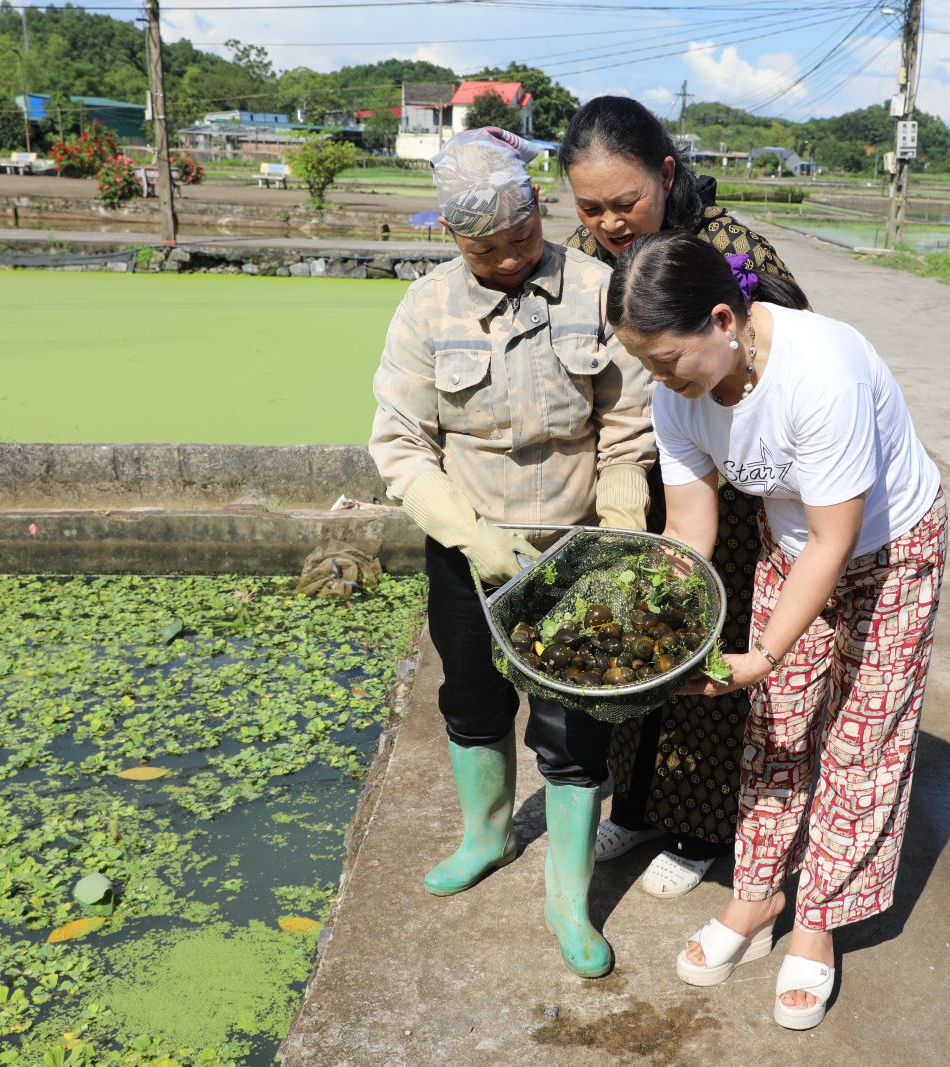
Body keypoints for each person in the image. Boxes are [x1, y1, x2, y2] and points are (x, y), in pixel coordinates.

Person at [607, 231, 948, 1030]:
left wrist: (761, 654)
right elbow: (690, 527)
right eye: (644, 362)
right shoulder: (677, 392)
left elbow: (836, 539)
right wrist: (662, 627)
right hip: (792, 544)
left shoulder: (821, 370)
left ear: (724, 320)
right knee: (776, 727)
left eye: (667, 359)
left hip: (890, 551)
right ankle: (758, 896)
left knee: (860, 739)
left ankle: (817, 919)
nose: (659, 379)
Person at [368, 128, 654, 979]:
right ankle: (486, 835)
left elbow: (626, 428)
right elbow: (402, 444)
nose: (507, 260)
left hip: (576, 549)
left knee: (574, 726)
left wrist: (619, 523)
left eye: (522, 239)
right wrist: (471, 536)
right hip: (470, 545)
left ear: (540, 212)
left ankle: (569, 896)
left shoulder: (598, 292)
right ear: (454, 239)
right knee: (472, 698)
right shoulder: (426, 308)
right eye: (484, 249)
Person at [560, 94, 795, 900]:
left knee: (707, 647)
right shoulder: (581, 255)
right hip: (634, 481)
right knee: (637, 639)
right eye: (589, 207)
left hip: (728, 494)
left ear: (666, 173)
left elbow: (782, 363)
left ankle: (700, 826)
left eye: (624, 202)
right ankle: (634, 803)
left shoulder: (730, 251)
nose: (608, 222)